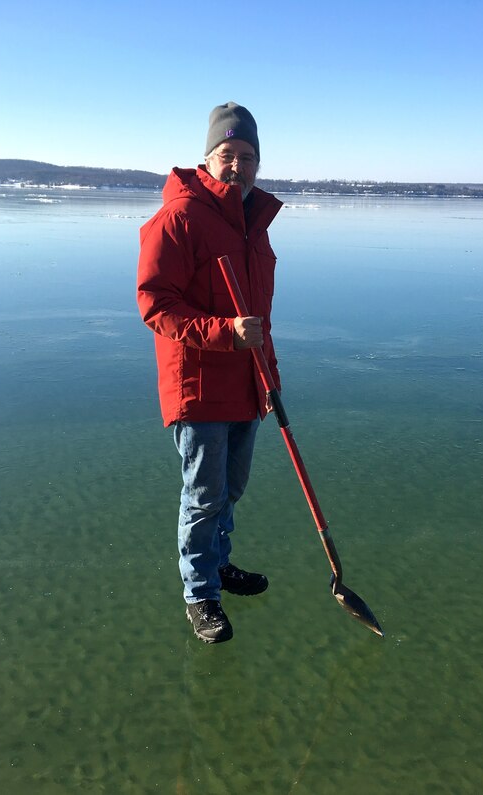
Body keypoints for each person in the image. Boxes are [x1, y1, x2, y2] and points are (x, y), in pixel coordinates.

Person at [137, 102, 283, 644]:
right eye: (228, 155)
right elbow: (155, 303)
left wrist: (269, 373)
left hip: (247, 383)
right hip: (198, 386)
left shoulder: (253, 225)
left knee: (231, 489)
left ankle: (218, 564)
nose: (239, 166)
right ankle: (200, 594)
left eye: (248, 157)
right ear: (207, 158)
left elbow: (259, 318)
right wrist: (224, 332)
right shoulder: (179, 217)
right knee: (203, 495)